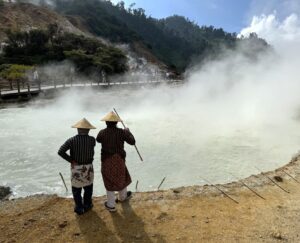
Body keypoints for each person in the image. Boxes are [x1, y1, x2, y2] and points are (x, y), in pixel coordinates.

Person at [97, 111, 136, 212]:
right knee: (121, 176)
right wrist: (128, 132)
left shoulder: (102, 132)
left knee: (109, 180)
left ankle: (111, 205)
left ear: (106, 123)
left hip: (106, 160)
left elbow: (98, 140)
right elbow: (132, 142)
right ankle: (122, 197)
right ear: (116, 123)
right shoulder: (122, 132)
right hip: (119, 159)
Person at [58, 118, 96, 215]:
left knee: (76, 189)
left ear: (78, 129)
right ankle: (87, 205)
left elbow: (60, 151)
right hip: (88, 168)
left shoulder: (71, 140)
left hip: (77, 168)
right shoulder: (92, 140)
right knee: (88, 188)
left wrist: (71, 160)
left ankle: (79, 208)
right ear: (88, 130)